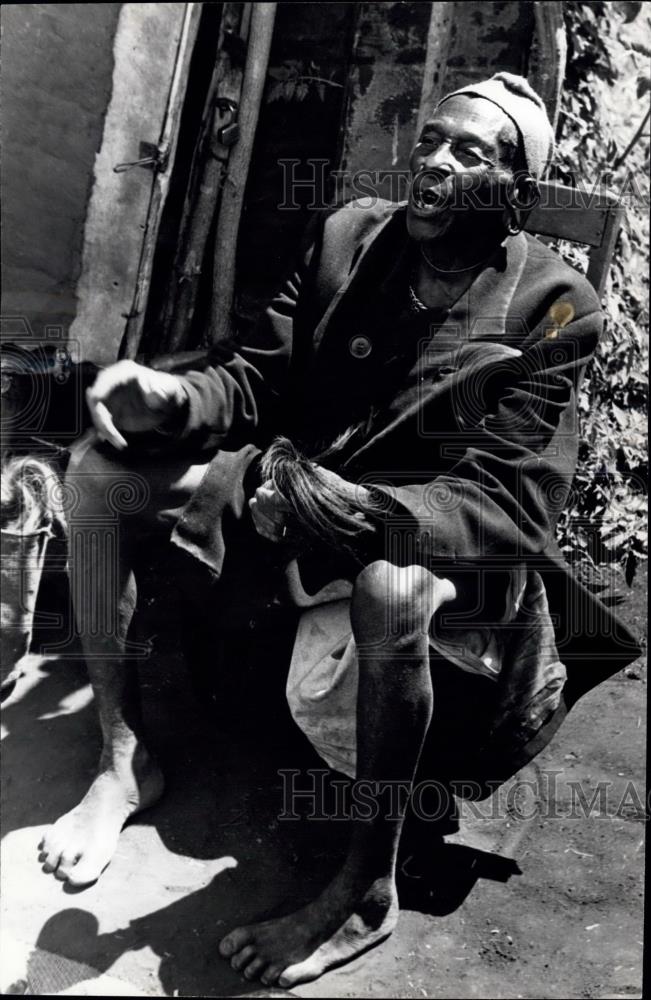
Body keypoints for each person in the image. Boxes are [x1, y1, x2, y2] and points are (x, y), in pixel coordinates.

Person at [38, 73, 640, 987]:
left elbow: (508, 504)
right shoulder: (349, 238)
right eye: (430, 140)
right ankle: (124, 764)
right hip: (298, 488)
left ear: (514, 191)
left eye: (468, 153)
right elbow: (251, 381)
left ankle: (364, 888)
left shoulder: (555, 308)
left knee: (390, 586)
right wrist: (173, 397)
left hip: (437, 543)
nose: (432, 164)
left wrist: (358, 511)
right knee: (99, 475)